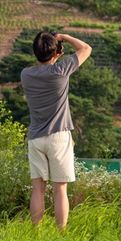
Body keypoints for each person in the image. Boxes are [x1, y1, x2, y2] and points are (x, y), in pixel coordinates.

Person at [20, 31, 92, 229]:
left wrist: (54, 50)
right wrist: (64, 37)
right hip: (58, 136)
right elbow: (86, 49)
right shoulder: (60, 71)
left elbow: (43, 63)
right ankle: (61, 232)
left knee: (38, 189)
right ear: (56, 53)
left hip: (35, 137)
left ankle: (36, 231)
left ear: (35, 52)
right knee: (60, 189)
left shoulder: (26, 74)